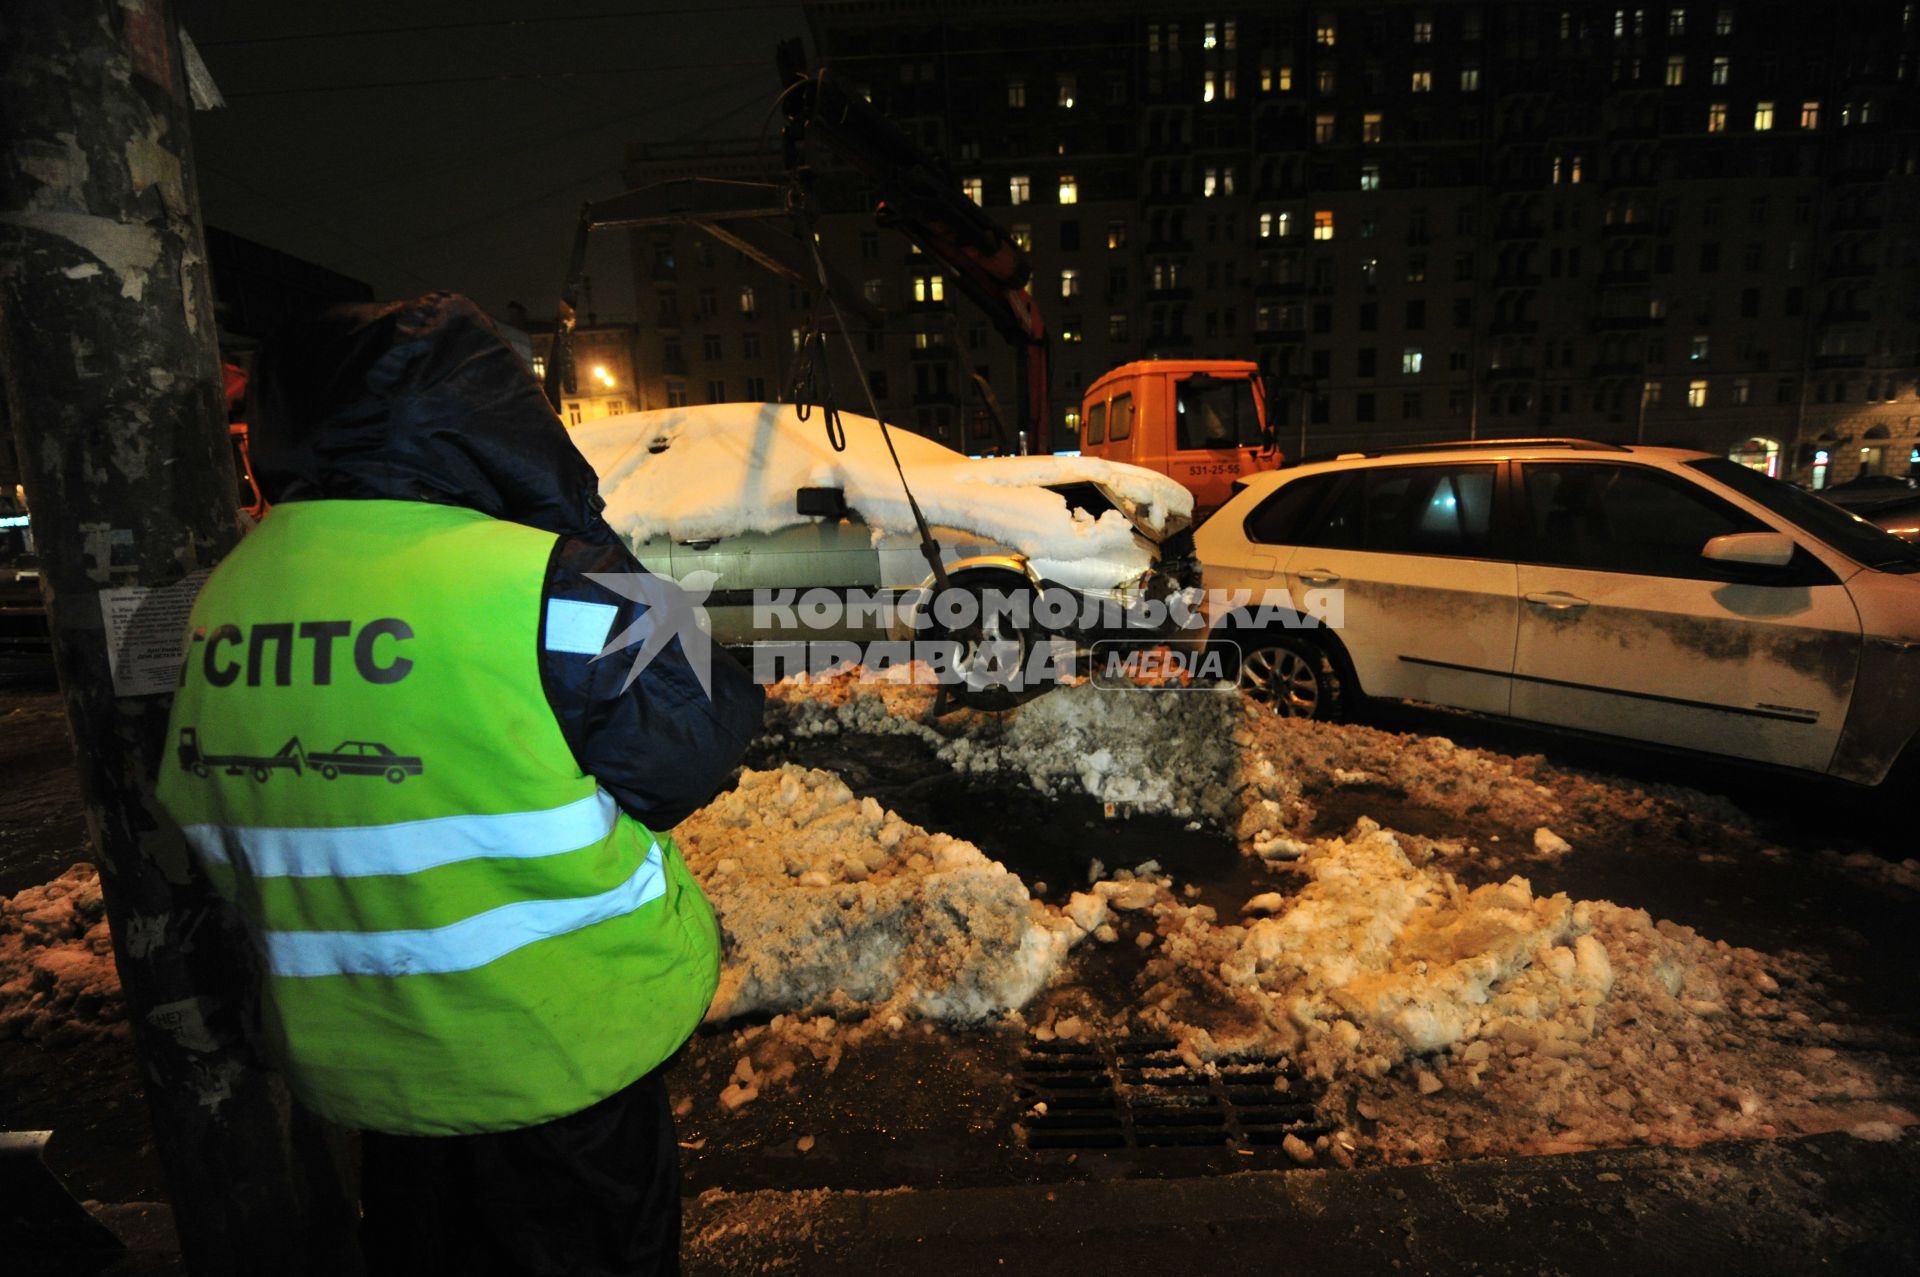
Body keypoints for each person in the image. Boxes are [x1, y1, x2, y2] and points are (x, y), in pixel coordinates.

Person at [156, 293, 763, 1275]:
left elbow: (204, 817)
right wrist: (577, 523)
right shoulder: (549, 580)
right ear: (490, 420)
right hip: (563, 1056)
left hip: (368, 1068)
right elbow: (705, 736)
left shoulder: (226, 593)